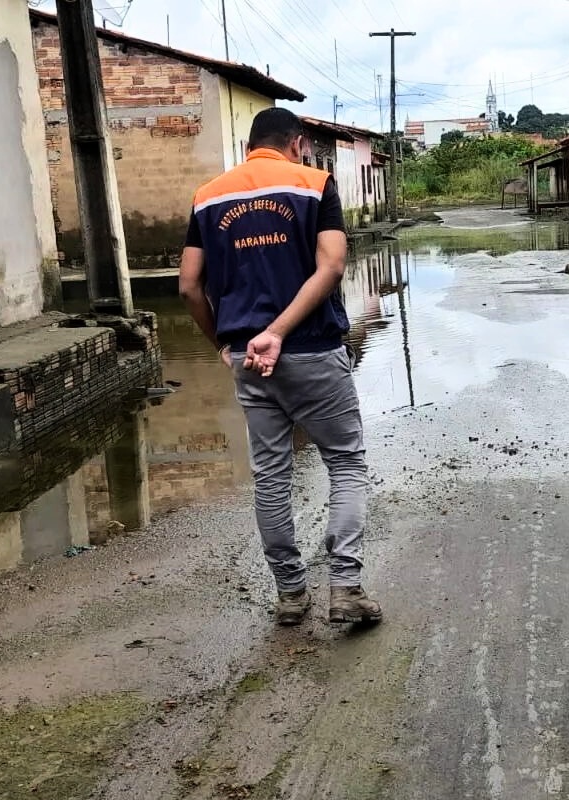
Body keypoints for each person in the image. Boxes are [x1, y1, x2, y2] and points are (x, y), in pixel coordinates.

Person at [179, 108, 381, 627]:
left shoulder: (209, 195)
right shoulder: (314, 185)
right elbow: (332, 266)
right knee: (346, 461)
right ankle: (345, 588)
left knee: (271, 474)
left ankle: (291, 595)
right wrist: (282, 331)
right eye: (304, 147)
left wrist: (226, 345)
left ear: (250, 145)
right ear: (295, 142)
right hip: (312, 349)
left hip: (248, 356)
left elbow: (188, 286)